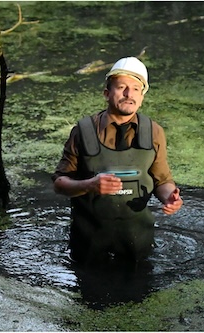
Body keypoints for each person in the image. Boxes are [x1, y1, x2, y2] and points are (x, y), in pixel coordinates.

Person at [52, 56, 183, 265]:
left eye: (136, 89)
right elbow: (59, 184)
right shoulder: (84, 131)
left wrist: (170, 198)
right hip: (88, 248)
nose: (128, 94)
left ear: (142, 97)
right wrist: (90, 185)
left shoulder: (154, 133)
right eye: (121, 87)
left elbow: (162, 181)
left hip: (138, 246)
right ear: (107, 93)